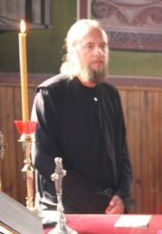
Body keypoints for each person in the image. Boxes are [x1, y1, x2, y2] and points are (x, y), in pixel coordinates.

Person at [33, 19, 132, 214]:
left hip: (110, 208)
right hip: (64, 211)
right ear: (72, 51)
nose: (98, 52)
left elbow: (122, 154)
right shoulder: (51, 94)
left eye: (103, 46)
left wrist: (122, 196)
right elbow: (44, 159)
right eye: (90, 46)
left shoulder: (111, 95)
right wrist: (99, 201)